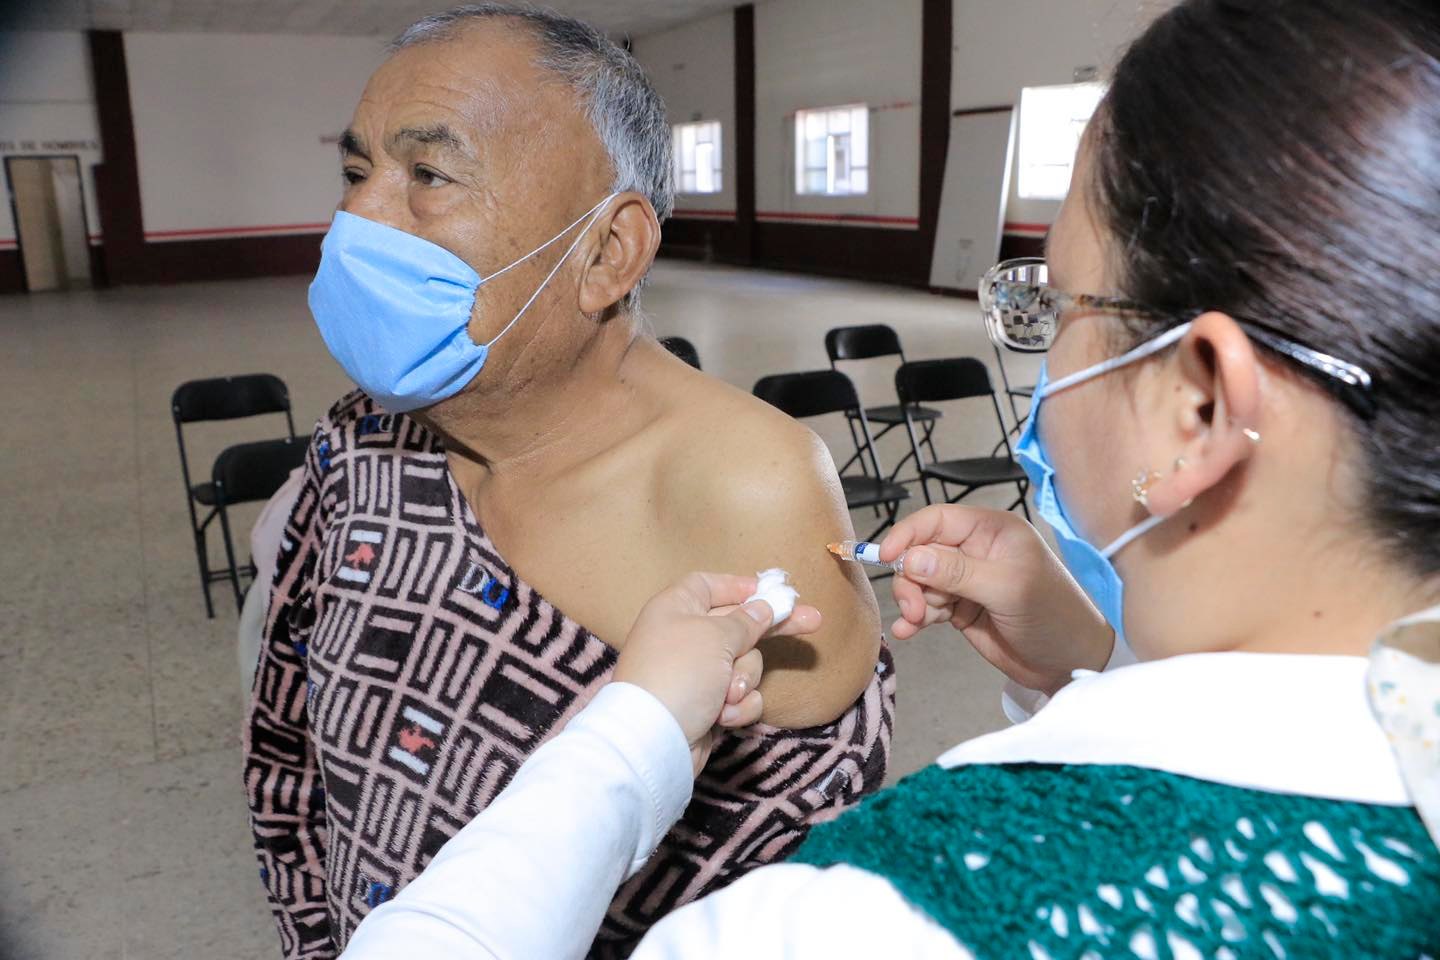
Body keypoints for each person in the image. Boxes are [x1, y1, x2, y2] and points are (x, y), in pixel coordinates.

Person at [339, 0, 1440, 955]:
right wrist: (1086, 666)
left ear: (1199, 404)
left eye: (1054, 307)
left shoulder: (882, 917)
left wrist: (627, 733)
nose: (361, 216)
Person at [242, 5, 893, 958]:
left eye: (426, 174)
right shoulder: (363, 441)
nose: (359, 217)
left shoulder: (744, 488)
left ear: (605, 253)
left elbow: (777, 885)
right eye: (354, 171)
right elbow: (297, 744)